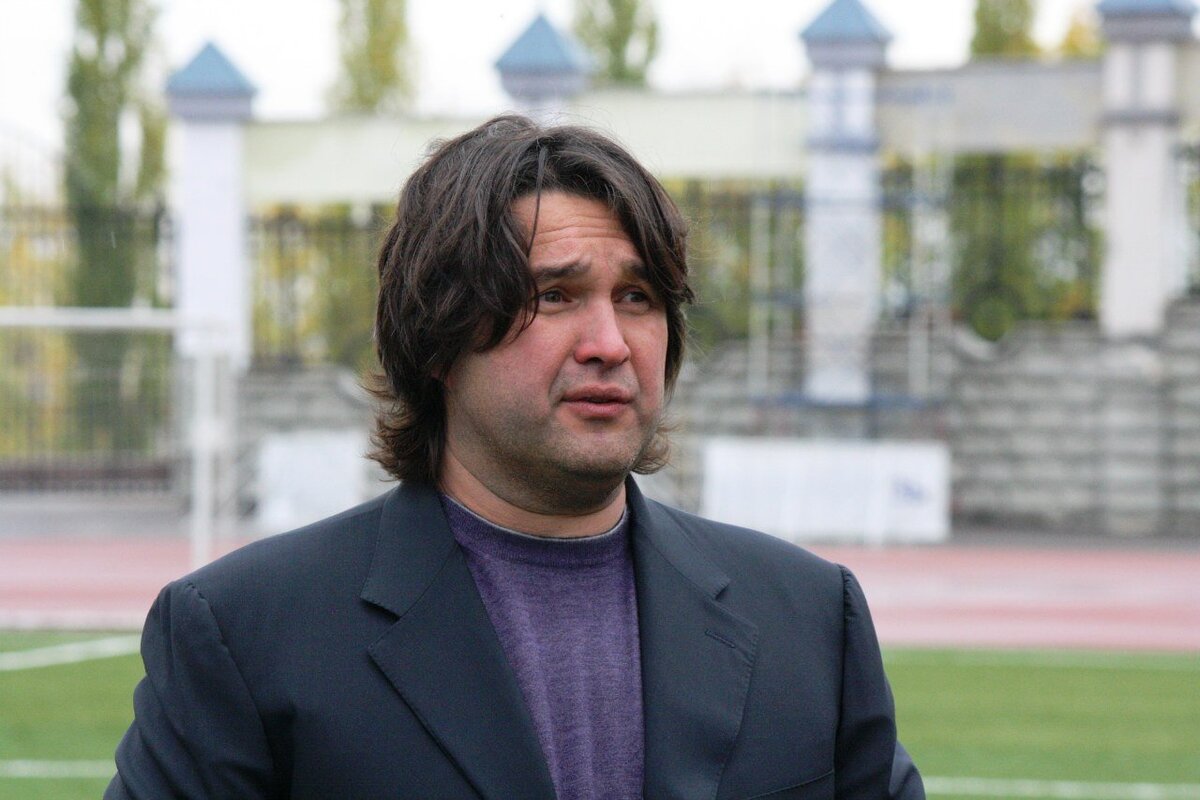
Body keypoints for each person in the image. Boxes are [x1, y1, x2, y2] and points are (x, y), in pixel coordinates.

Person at [107, 115, 924, 799]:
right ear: (438, 336)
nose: (610, 343)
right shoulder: (243, 633)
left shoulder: (812, 618)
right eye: (555, 296)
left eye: (637, 298)